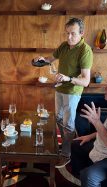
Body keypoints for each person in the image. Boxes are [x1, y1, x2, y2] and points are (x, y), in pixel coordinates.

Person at [34, 17, 93, 168]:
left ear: (81, 33)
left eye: (72, 34)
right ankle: (65, 146)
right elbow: (50, 59)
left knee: (68, 124)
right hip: (60, 88)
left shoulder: (85, 50)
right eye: (67, 33)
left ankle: (67, 154)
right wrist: (42, 59)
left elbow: (86, 81)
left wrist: (68, 78)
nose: (69, 37)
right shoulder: (64, 46)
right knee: (59, 119)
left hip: (72, 91)